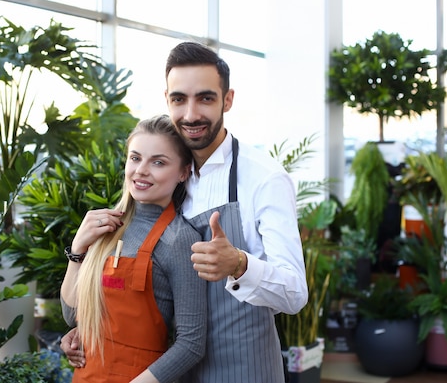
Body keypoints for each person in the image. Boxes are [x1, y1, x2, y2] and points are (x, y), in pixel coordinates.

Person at [63, 42, 308, 382]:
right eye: (179, 99)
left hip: (244, 371)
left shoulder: (264, 178)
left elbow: (295, 293)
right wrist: (88, 332)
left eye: (205, 98)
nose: (191, 114)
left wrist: (239, 264)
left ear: (228, 99)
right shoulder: (167, 181)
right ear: (168, 99)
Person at [60, 114, 207, 383]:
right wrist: (79, 247)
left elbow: (192, 344)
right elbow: (72, 316)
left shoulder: (179, 240)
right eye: (135, 158)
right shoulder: (107, 226)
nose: (141, 170)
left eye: (158, 162)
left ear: (183, 172)